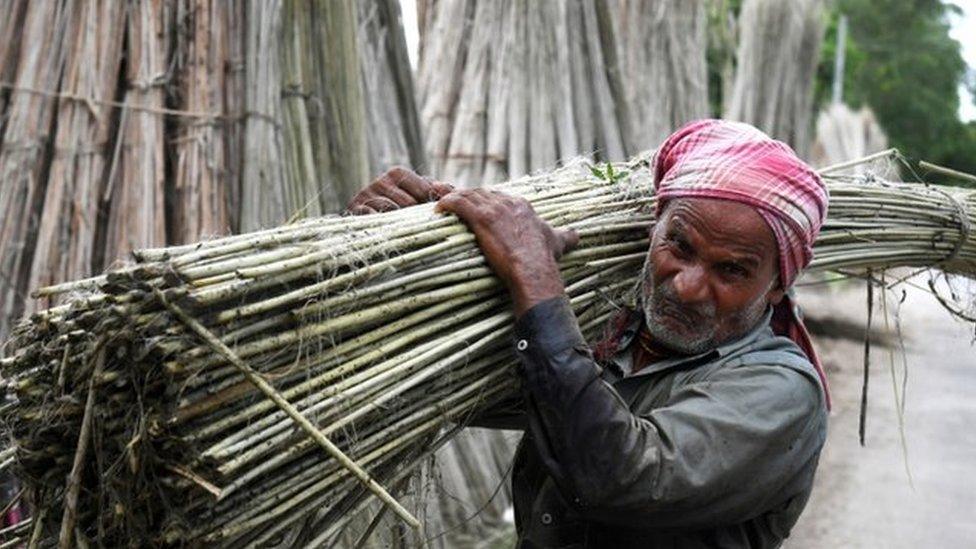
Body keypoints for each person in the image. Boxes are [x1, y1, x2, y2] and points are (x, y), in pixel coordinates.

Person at [348, 119, 829, 548]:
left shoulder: (781, 391)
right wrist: (389, 255)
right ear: (653, 230)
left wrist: (534, 275)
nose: (687, 287)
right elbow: (452, 385)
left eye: (731, 271)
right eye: (679, 246)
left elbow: (621, 476)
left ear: (775, 287)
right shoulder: (615, 334)